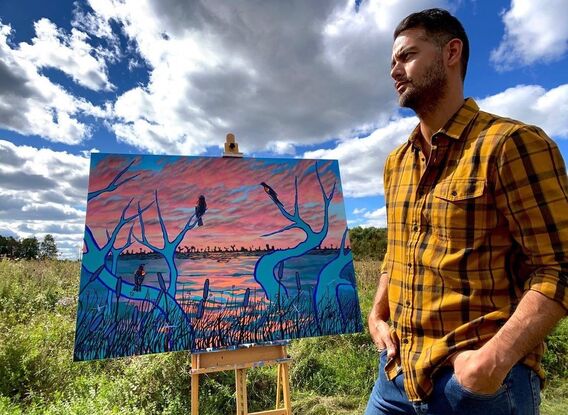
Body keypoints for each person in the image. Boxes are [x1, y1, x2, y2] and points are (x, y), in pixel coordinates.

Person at [365, 8, 567, 415]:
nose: (394, 71)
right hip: (396, 377)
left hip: (477, 389)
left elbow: (559, 265)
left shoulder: (510, 144)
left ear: (451, 52)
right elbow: (397, 249)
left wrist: (488, 364)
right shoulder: (396, 162)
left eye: (406, 56)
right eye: (392, 62)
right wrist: (377, 311)